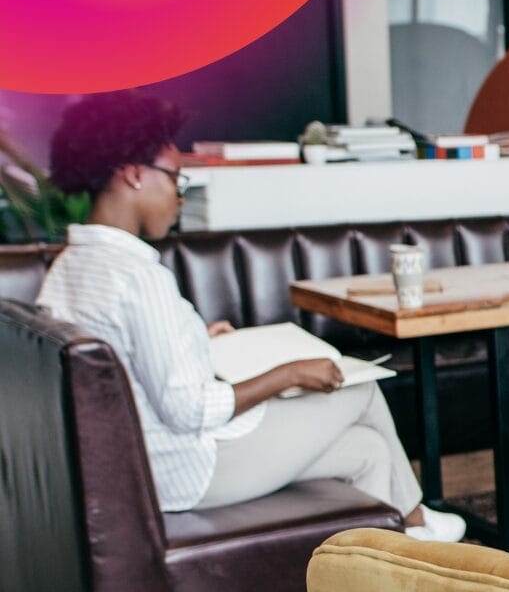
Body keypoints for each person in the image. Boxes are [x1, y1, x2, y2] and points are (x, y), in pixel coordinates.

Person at [33, 90, 462, 541]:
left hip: (145, 463)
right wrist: (288, 374)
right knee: (361, 387)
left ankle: (387, 563)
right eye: (177, 179)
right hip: (187, 470)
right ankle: (418, 519)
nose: (180, 198)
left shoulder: (70, 267)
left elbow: (124, 360)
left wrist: (196, 339)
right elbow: (190, 410)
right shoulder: (138, 277)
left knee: (368, 451)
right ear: (134, 174)